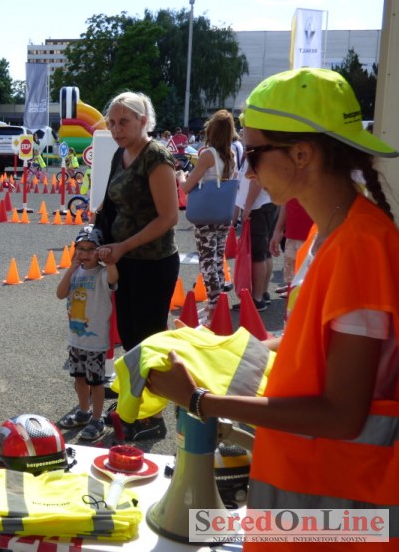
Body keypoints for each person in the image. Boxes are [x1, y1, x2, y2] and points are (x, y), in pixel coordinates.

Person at [148, 68, 399, 551]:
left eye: (255, 154)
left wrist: (201, 401)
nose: (248, 171)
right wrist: (224, 351)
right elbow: (316, 345)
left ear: (302, 154)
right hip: (314, 494)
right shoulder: (334, 234)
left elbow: (342, 415)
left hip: (342, 510)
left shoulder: (359, 247)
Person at [95, 91, 179, 441]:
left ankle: (153, 417)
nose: (116, 129)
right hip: (125, 261)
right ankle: (134, 403)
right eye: (112, 122)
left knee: (148, 342)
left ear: (144, 121)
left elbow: (169, 217)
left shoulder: (156, 156)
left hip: (152, 263)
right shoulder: (121, 153)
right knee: (130, 337)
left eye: (124, 122)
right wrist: (96, 237)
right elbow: (110, 205)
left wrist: (123, 246)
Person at [56, 225, 119, 442]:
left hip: (96, 342)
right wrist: (70, 270)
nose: (85, 253)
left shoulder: (102, 273)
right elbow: (60, 294)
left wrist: (109, 261)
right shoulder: (75, 273)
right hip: (76, 339)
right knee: (79, 380)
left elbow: (114, 278)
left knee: (96, 383)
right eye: (80, 249)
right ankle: (83, 411)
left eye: (91, 249)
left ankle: (97, 418)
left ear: (99, 251)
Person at [177, 110, 237, 322]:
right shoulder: (231, 154)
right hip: (222, 214)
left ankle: (213, 308)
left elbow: (187, 186)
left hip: (205, 217)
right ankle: (216, 303)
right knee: (217, 260)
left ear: (212, 131)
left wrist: (180, 176)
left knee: (207, 261)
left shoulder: (208, 154)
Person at [232, 151, 278, 311]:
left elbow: (256, 180)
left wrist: (248, 206)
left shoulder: (257, 150)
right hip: (267, 203)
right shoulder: (266, 149)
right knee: (265, 253)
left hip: (259, 206)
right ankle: (263, 293)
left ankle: (257, 298)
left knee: (258, 255)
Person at [268, 198, 312, 296]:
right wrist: (278, 230)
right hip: (292, 236)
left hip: (314, 238)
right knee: (292, 281)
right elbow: (286, 202)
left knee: (310, 285)